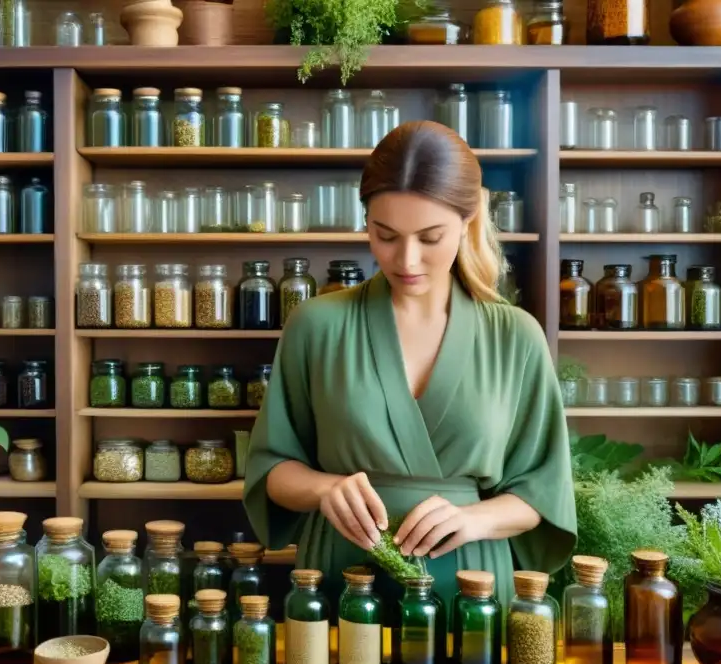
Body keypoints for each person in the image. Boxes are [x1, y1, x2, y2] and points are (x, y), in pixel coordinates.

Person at [243, 120, 576, 614]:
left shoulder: (515, 336)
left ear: (469, 221)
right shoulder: (316, 324)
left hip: (473, 587)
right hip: (343, 576)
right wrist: (325, 489)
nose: (407, 259)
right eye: (386, 235)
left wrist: (474, 520)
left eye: (430, 236)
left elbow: (541, 495)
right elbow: (272, 469)